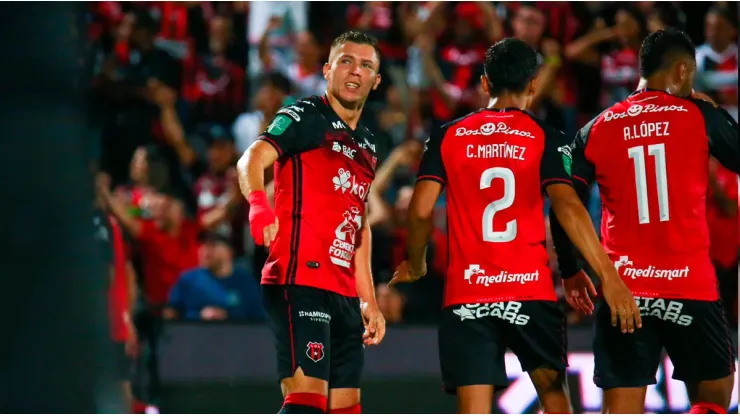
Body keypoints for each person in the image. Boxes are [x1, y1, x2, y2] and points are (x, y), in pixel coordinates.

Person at [390, 38, 640, 414]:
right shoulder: (547, 138)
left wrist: (417, 262)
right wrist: (609, 276)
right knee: (554, 398)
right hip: (531, 291)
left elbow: (421, 210)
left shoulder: (447, 135)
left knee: (474, 408)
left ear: (485, 84)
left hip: (468, 295)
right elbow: (568, 206)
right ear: (533, 84)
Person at [553, 29, 738, 414]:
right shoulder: (699, 115)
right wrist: (716, 116)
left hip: (626, 289)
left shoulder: (597, 127)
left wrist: (571, 270)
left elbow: (562, 202)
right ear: (684, 69)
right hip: (691, 286)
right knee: (714, 402)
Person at [236, 31, 386, 414]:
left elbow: (360, 225)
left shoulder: (369, 144)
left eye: (366, 65)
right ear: (327, 70)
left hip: (344, 295)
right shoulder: (304, 115)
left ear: (377, 79)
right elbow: (251, 158)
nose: (355, 71)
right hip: (298, 279)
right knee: (307, 404)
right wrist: (258, 204)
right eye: (346, 61)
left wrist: (369, 301)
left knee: (346, 409)